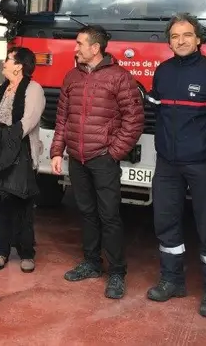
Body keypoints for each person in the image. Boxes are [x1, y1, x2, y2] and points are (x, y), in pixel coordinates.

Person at [145, 12, 206, 318]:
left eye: (186, 35)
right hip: (167, 165)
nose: (180, 41)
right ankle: (172, 281)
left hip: (203, 164)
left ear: (198, 39)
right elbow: (157, 109)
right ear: (169, 42)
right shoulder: (163, 72)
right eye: (174, 36)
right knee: (165, 223)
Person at [50, 25, 145, 299]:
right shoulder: (72, 77)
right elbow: (62, 118)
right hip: (76, 158)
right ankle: (91, 263)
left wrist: (113, 153)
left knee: (109, 215)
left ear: (95, 48)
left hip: (103, 158)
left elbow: (134, 120)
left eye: (80, 44)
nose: (75, 48)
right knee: (87, 213)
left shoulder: (119, 77)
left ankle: (116, 272)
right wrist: (57, 151)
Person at [0, 47, 45, 273]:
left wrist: (4, 140)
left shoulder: (34, 89)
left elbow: (28, 121)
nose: (3, 63)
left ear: (19, 66)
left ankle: (26, 253)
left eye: (8, 59)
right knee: (0, 205)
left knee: (23, 206)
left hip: (20, 155)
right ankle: (1, 251)